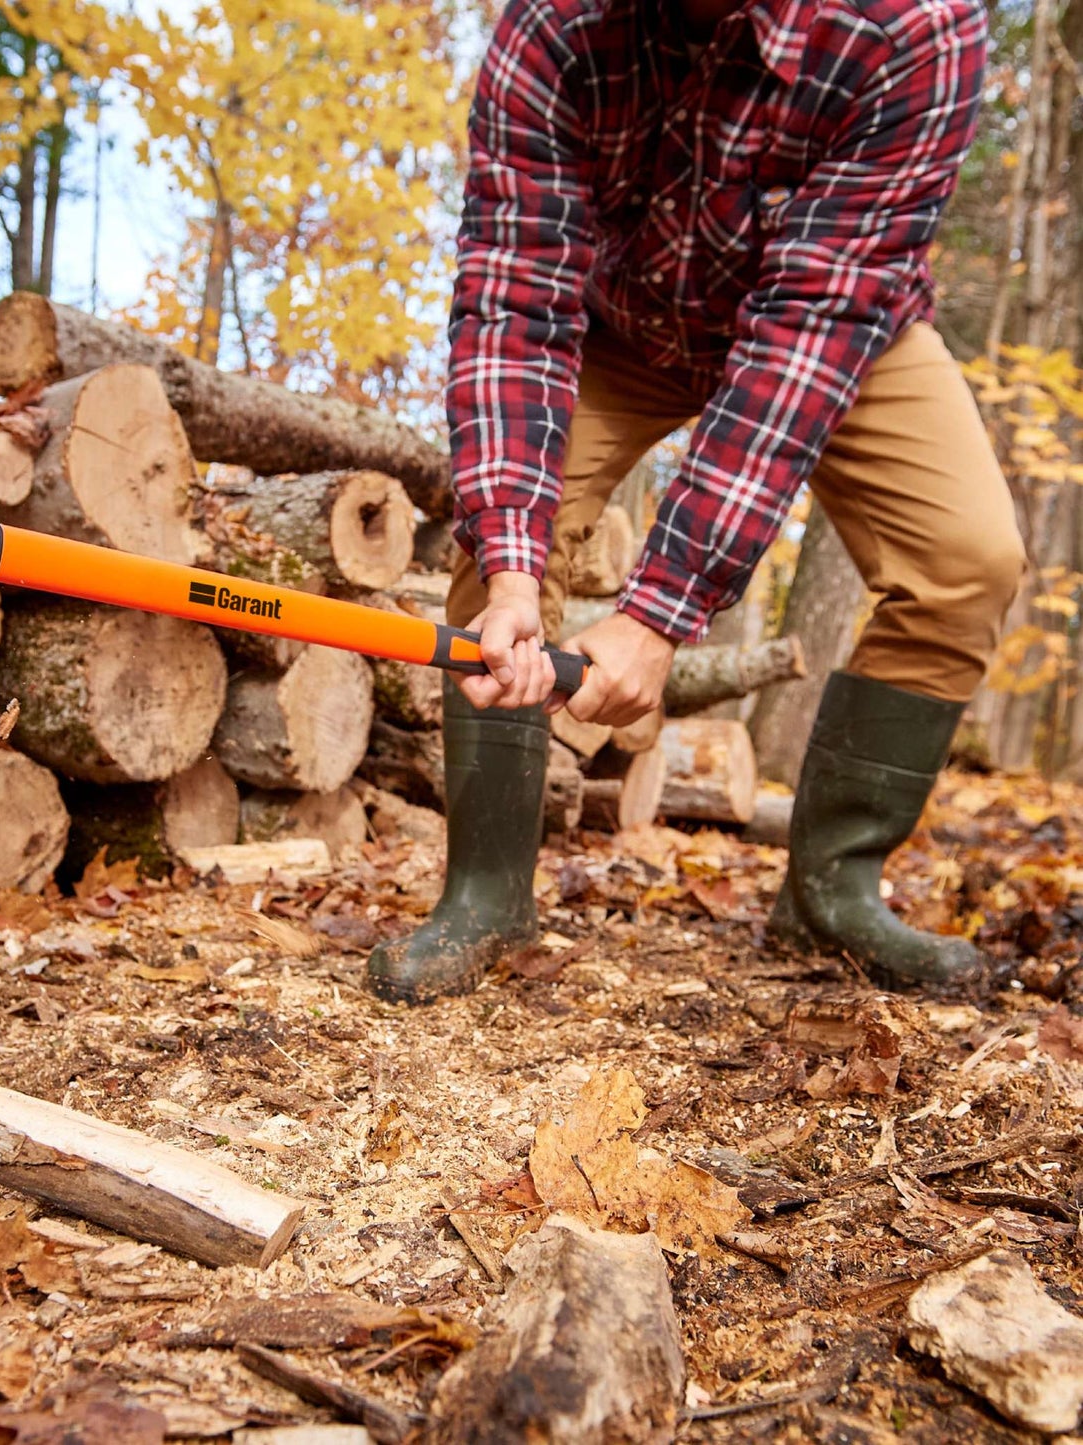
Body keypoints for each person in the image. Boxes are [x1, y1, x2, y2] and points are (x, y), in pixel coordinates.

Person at [367, 0, 1025, 1004]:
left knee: (967, 562)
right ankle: (485, 894)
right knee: (502, 535)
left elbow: (805, 330)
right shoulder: (555, 22)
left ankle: (828, 894)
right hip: (620, 324)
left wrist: (659, 609)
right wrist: (509, 563)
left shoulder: (915, 27)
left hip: (836, 332)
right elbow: (512, 288)